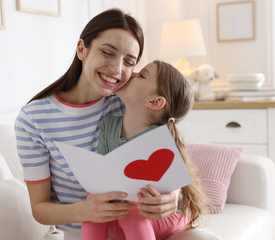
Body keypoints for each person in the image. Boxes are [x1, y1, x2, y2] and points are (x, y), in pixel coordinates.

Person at [15, 9, 181, 239]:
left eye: (129, 62)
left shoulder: (129, 103)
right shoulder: (33, 119)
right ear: (82, 49)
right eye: (107, 52)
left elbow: (172, 160)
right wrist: (87, 211)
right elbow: (40, 209)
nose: (117, 69)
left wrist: (172, 196)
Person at [81, 60, 208, 240]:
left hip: (162, 220)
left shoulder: (159, 138)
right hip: (123, 220)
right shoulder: (108, 125)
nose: (131, 74)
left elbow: (172, 188)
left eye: (141, 75)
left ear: (155, 102)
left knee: (134, 207)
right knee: (94, 197)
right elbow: (104, 176)